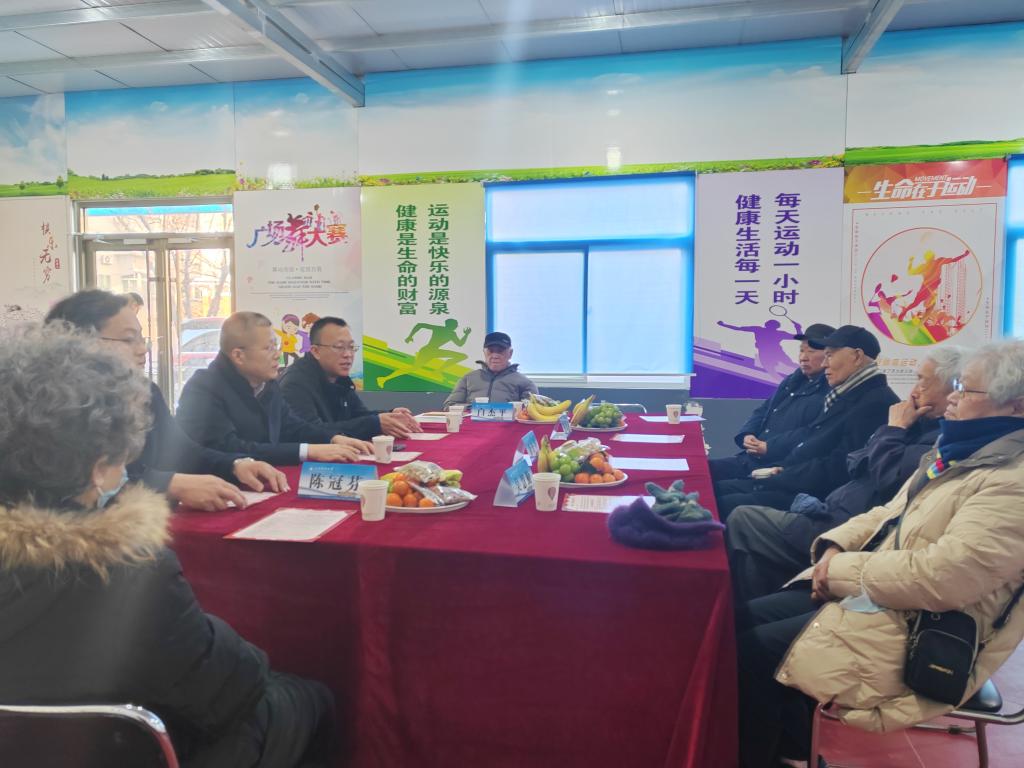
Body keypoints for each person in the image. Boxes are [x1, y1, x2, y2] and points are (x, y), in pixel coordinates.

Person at [0, 323, 335, 768]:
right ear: (99, 468)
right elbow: (229, 692)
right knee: (310, 697)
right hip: (128, 750)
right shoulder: (129, 571)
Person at [736, 339, 1024, 768]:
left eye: (967, 391)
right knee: (739, 620)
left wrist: (839, 570)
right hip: (882, 597)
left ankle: (772, 754)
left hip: (928, 633)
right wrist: (834, 546)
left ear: (1016, 407)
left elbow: (944, 578)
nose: (953, 398)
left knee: (751, 651)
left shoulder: (1011, 480)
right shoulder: (959, 453)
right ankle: (791, 748)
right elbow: (888, 512)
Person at [726, 346, 963, 607]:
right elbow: (856, 461)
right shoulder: (907, 421)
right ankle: (757, 604)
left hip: (849, 526)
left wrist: (893, 429)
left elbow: (886, 478)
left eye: (922, 382)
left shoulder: (920, 429)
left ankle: (748, 610)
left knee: (741, 516)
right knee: (740, 513)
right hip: (832, 508)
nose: (914, 391)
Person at [46, 290, 287, 512]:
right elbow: (85, 485)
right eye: (129, 340)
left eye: (143, 339)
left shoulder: (145, 392)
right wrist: (170, 484)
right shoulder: (53, 406)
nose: (143, 349)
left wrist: (235, 465)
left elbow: (182, 451)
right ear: (78, 343)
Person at [714, 325, 899, 519]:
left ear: (857, 356)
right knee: (715, 492)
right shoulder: (842, 394)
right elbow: (812, 443)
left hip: (816, 497)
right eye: (802, 351)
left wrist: (781, 474)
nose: (825, 364)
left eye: (829, 355)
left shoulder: (874, 403)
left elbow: (839, 467)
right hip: (789, 475)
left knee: (720, 502)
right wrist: (781, 468)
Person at [176, 311, 371, 465]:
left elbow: (293, 427)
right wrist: (308, 451)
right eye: (269, 348)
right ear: (238, 356)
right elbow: (230, 448)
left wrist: (333, 439)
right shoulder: (203, 389)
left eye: (276, 346)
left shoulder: (268, 384)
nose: (278, 354)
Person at [709, 323, 834, 483]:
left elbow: (812, 433)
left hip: (779, 467)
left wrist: (769, 447)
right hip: (750, 459)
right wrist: (747, 434)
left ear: (830, 355)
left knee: (716, 489)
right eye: (801, 350)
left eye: (811, 351)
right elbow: (764, 410)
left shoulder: (831, 390)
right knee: (701, 471)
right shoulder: (793, 380)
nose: (803, 357)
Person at [280, 316, 421, 441]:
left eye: (351, 347)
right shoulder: (295, 383)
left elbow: (357, 415)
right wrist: (375, 424)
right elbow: (310, 433)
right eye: (339, 347)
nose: (348, 354)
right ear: (316, 351)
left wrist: (389, 416)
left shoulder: (339, 376)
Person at [442, 331, 538, 408]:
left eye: (500, 351)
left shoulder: (525, 383)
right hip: (472, 426)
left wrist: (509, 411)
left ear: (510, 353)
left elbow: (533, 411)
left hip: (508, 427)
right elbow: (449, 405)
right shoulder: (468, 378)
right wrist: (475, 409)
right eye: (491, 351)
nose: (495, 356)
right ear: (484, 352)